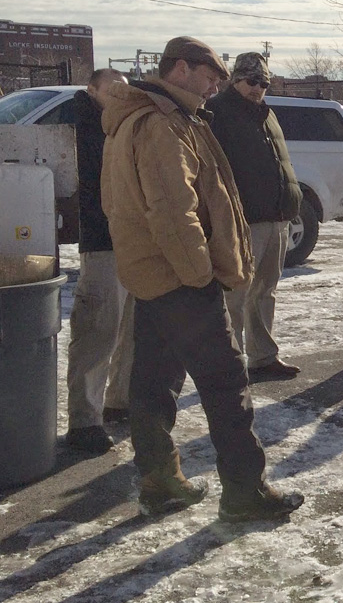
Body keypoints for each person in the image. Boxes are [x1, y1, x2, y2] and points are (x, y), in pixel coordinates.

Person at [101, 36, 303, 521]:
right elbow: (175, 211)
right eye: (211, 76)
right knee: (226, 381)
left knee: (153, 380)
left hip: (153, 275)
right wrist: (199, 277)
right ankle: (244, 492)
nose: (216, 86)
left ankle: (159, 477)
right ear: (182, 69)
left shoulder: (151, 117)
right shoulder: (161, 124)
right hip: (179, 279)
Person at [208, 52, 303, 382]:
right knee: (235, 294)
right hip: (242, 220)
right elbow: (211, 171)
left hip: (276, 217)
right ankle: (228, 363)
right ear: (235, 80)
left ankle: (263, 357)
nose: (258, 87)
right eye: (251, 81)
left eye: (263, 82)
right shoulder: (218, 112)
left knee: (266, 290)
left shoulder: (267, 113)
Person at [64, 68, 135, 454]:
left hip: (135, 241)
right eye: (111, 90)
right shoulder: (82, 127)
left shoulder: (123, 124)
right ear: (91, 90)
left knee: (132, 327)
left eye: (124, 90)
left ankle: (119, 401)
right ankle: (84, 420)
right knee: (98, 329)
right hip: (102, 240)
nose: (119, 96)